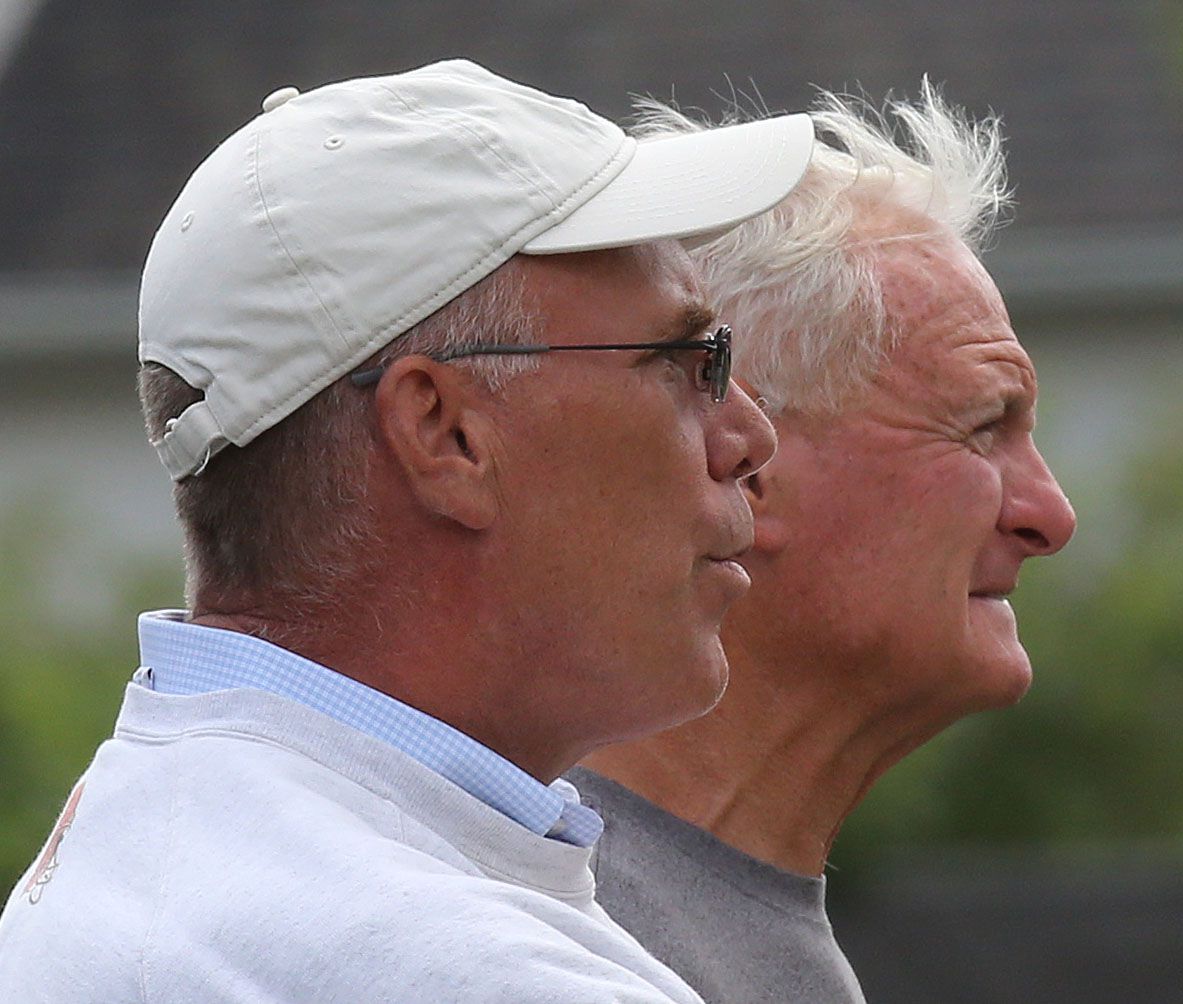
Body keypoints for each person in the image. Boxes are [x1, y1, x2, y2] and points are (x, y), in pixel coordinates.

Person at [0, 59, 812, 1002]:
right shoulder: (452, 965)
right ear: (446, 433)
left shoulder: (160, 836)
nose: (751, 435)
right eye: (687, 360)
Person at [569, 84, 1078, 1004]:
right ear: (743, 459)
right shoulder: (526, 925)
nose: (1049, 514)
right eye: (983, 428)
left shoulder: (618, 908)